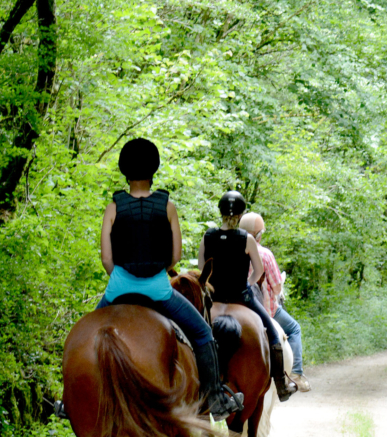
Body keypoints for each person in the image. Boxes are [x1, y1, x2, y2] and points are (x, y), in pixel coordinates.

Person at [97, 138, 242, 420]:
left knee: (83, 335)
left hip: (118, 288)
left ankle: (70, 401)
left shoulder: (113, 208)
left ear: (124, 172)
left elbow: (106, 259)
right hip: (159, 290)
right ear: (154, 171)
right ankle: (215, 398)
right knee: (203, 334)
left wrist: (121, 280)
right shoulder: (167, 207)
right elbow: (174, 257)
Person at [197, 191, 297, 402]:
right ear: (241, 214)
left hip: (213, 299)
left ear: (220, 212)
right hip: (241, 297)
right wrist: (247, 285)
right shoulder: (246, 238)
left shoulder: (207, 237)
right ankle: (281, 383)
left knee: (191, 332)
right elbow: (258, 271)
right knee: (272, 333)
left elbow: (201, 270)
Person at [238, 212, 310, 392]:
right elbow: (277, 288)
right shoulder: (265, 254)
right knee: (294, 329)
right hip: (265, 309)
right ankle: (295, 374)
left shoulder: (231, 249)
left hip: (236, 305)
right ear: (259, 234)